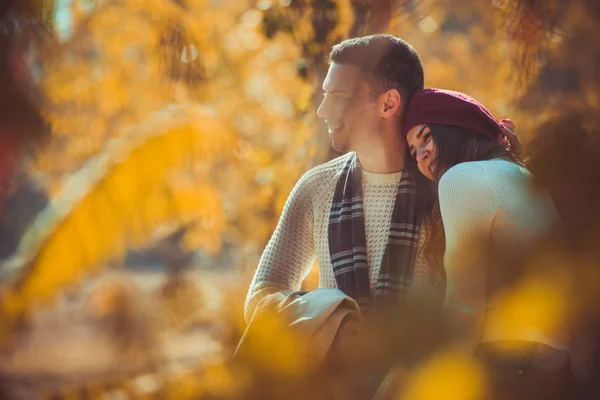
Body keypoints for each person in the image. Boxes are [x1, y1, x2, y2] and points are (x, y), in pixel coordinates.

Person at [245, 34, 443, 324]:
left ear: (388, 104)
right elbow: (262, 294)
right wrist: (330, 317)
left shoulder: (446, 188)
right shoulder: (316, 188)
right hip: (340, 368)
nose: (322, 110)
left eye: (337, 97)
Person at [402, 88, 573, 399]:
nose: (421, 155)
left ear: (455, 131)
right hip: (557, 365)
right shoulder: (519, 174)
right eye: (413, 151)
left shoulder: (464, 178)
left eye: (425, 137)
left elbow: (463, 305)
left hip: (512, 366)